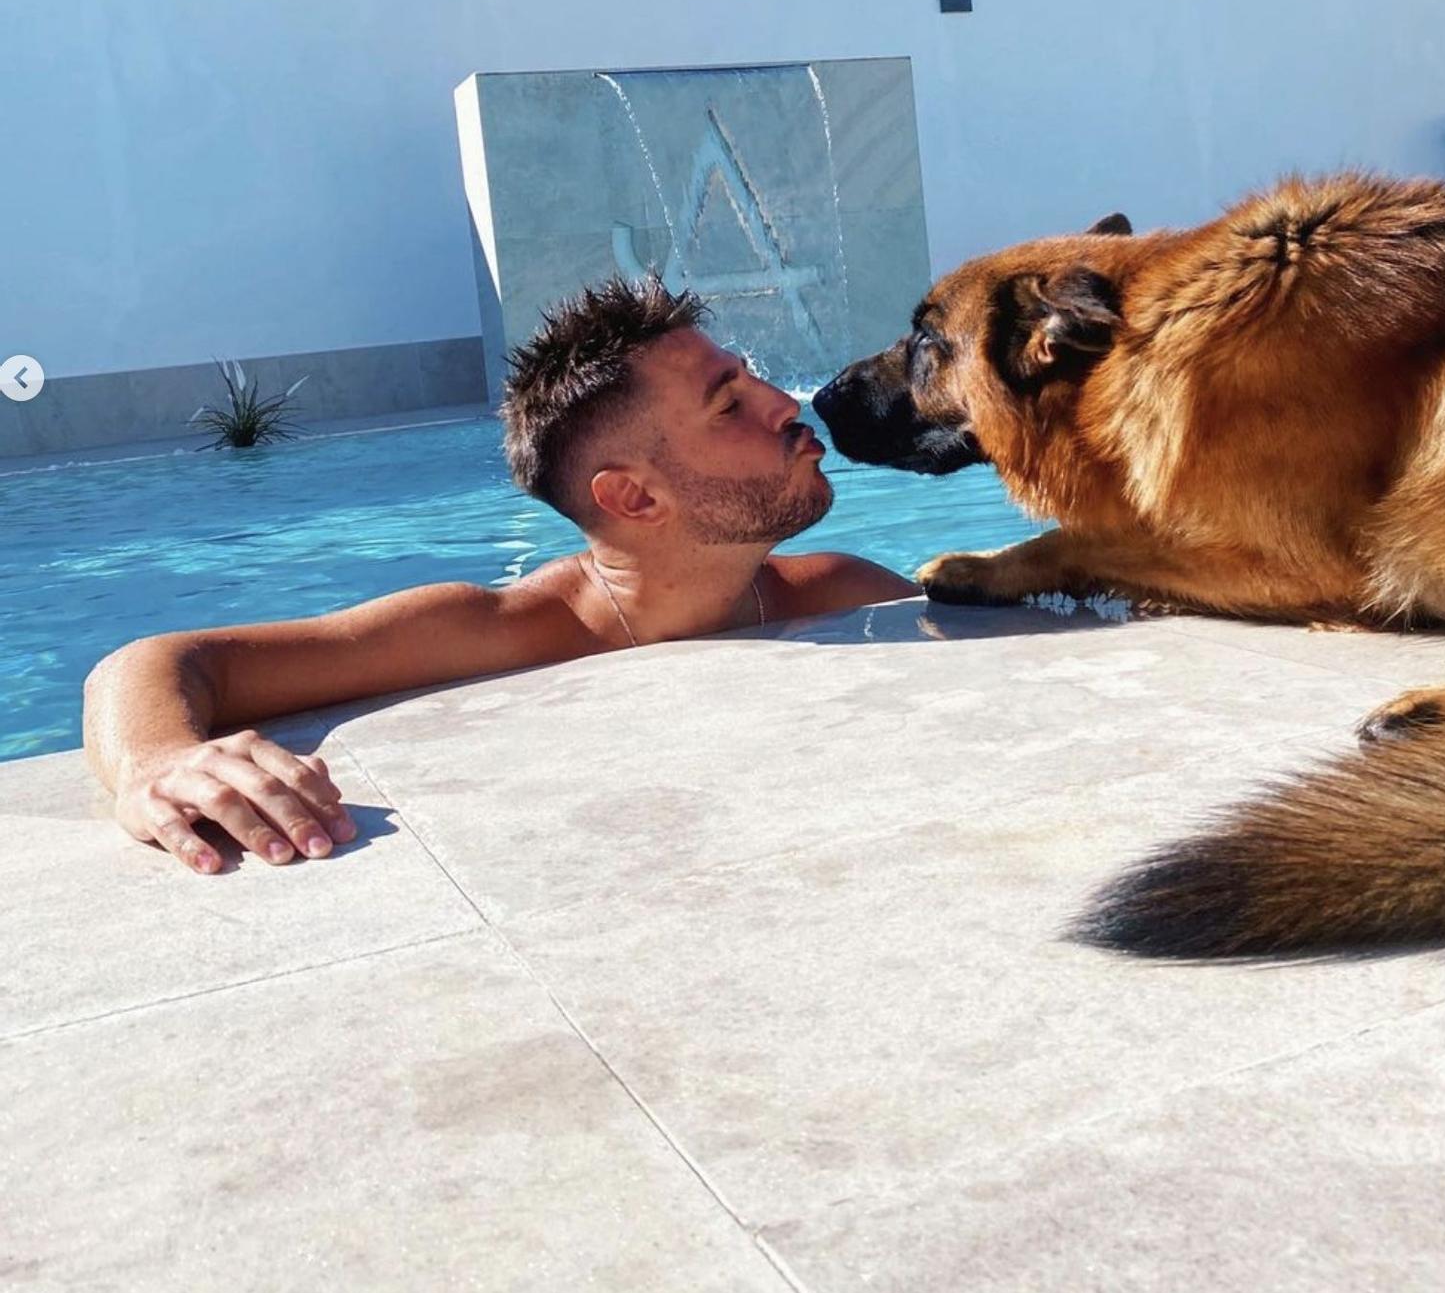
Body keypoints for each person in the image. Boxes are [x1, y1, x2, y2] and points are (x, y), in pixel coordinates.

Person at [83, 278, 919, 876]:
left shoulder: (841, 591)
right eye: (728, 403)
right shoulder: (501, 632)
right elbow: (156, 659)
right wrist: (155, 758)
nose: (786, 403)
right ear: (632, 496)